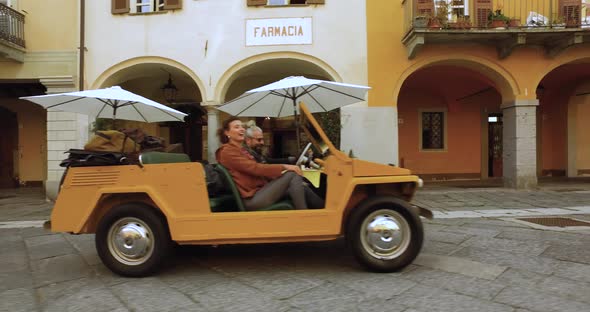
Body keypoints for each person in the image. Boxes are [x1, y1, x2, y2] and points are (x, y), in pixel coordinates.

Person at [216, 117, 324, 211]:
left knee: (301, 186)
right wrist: (285, 167)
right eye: (236, 127)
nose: (242, 129)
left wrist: (281, 172)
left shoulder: (241, 150)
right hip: (252, 199)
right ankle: (303, 216)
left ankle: (324, 212)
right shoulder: (227, 151)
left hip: (259, 191)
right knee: (292, 174)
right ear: (227, 132)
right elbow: (255, 168)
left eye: (242, 127)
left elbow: (260, 169)